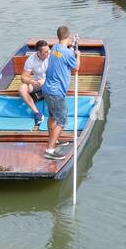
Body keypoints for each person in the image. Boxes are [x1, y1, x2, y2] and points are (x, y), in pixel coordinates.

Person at [42, 26, 80, 161]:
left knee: (52, 117)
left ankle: (54, 140)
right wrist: (78, 56)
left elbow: (63, 54)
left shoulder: (54, 49)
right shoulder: (68, 53)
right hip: (56, 92)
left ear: (58, 37)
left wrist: (71, 49)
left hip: (47, 89)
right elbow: (76, 68)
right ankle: (50, 150)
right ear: (68, 37)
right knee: (62, 120)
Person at [17, 40, 51, 121]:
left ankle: (42, 95)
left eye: (48, 50)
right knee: (22, 89)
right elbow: (23, 78)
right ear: (38, 52)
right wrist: (33, 82)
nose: (48, 53)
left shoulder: (52, 55)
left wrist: (45, 80)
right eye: (45, 52)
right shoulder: (31, 59)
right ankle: (37, 113)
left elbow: (59, 73)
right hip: (38, 83)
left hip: (51, 81)